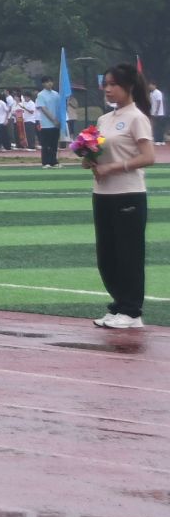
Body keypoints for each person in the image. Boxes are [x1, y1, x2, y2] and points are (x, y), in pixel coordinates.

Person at [87, 64, 154, 329]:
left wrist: (114, 167)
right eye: (106, 84)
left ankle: (132, 311)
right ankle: (119, 305)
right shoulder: (104, 119)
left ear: (129, 86)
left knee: (129, 254)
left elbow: (148, 157)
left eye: (114, 84)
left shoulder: (137, 118)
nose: (108, 89)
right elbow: (99, 152)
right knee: (107, 256)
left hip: (128, 193)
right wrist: (89, 159)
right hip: (102, 193)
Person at [34, 76, 64, 167]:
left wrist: (59, 120)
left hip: (56, 123)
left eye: (51, 81)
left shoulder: (56, 94)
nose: (50, 83)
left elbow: (60, 107)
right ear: (43, 84)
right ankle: (46, 162)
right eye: (47, 82)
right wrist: (53, 120)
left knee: (54, 144)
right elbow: (44, 109)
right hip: (46, 124)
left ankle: (53, 161)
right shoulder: (41, 95)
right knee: (46, 144)